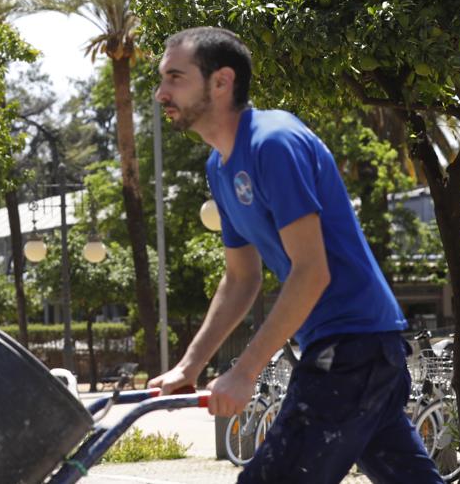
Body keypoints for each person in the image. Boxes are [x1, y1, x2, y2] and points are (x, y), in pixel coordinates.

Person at [148, 27, 442, 483]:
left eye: (175, 77)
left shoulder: (274, 142)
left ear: (221, 82)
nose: (161, 92)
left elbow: (311, 272)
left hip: (351, 348)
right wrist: (190, 365)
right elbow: (241, 279)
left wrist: (245, 372)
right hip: (357, 350)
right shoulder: (220, 166)